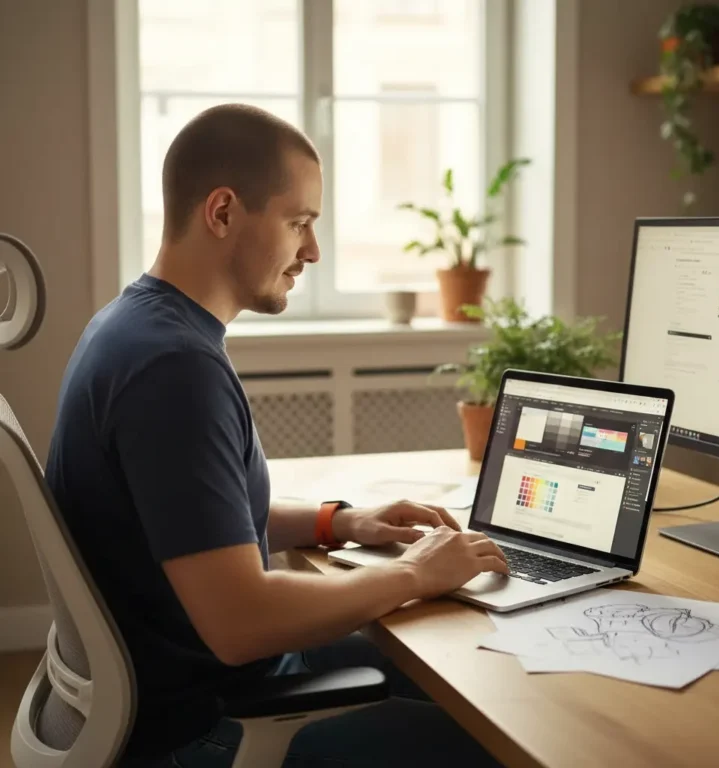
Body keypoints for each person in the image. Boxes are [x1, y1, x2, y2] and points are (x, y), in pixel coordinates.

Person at [44, 104, 510, 767]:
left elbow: (191, 524)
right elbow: (242, 622)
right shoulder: (173, 368)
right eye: (300, 224)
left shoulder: (133, 327)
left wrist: (342, 523)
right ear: (224, 212)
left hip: (188, 691)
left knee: (458, 662)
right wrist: (413, 572)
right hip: (206, 730)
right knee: (505, 740)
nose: (312, 251)